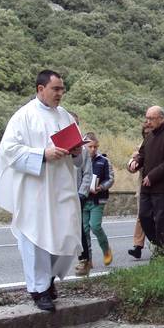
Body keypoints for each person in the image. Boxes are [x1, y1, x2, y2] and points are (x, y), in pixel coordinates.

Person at [0, 70, 84, 312]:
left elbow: (80, 157)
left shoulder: (66, 117)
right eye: (56, 89)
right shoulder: (23, 116)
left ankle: (50, 278)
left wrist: (76, 152)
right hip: (36, 190)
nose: (60, 94)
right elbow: (10, 150)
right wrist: (43, 154)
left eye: (62, 89)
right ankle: (39, 289)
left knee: (65, 234)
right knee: (37, 238)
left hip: (62, 188)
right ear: (40, 89)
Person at [129, 106, 164, 256]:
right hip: (147, 188)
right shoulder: (150, 136)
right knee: (144, 217)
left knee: (161, 221)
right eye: (147, 118)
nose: (148, 122)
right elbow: (142, 154)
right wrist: (136, 162)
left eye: (151, 118)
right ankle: (160, 245)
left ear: (161, 118)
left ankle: (163, 252)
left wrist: (152, 176)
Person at [75, 132, 114, 276]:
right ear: (84, 146)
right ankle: (88, 260)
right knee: (84, 230)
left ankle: (106, 250)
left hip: (98, 200)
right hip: (83, 200)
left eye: (95, 146)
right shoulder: (78, 160)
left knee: (95, 226)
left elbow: (110, 179)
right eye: (90, 146)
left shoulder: (104, 161)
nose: (93, 149)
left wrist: (102, 187)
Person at [71, 113, 94, 277]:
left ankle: (84, 259)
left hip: (76, 195)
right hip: (58, 195)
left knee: (79, 228)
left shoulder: (83, 150)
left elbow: (87, 174)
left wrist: (81, 193)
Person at [126, 122, 151, 259]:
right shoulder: (140, 148)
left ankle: (161, 246)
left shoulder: (162, 144)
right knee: (141, 216)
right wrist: (132, 164)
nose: (148, 135)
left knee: (157, 218)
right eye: (145, 133)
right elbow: (131, 166)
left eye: (150, 132)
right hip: (143, 187)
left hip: (158, 187)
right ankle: (138, 246)